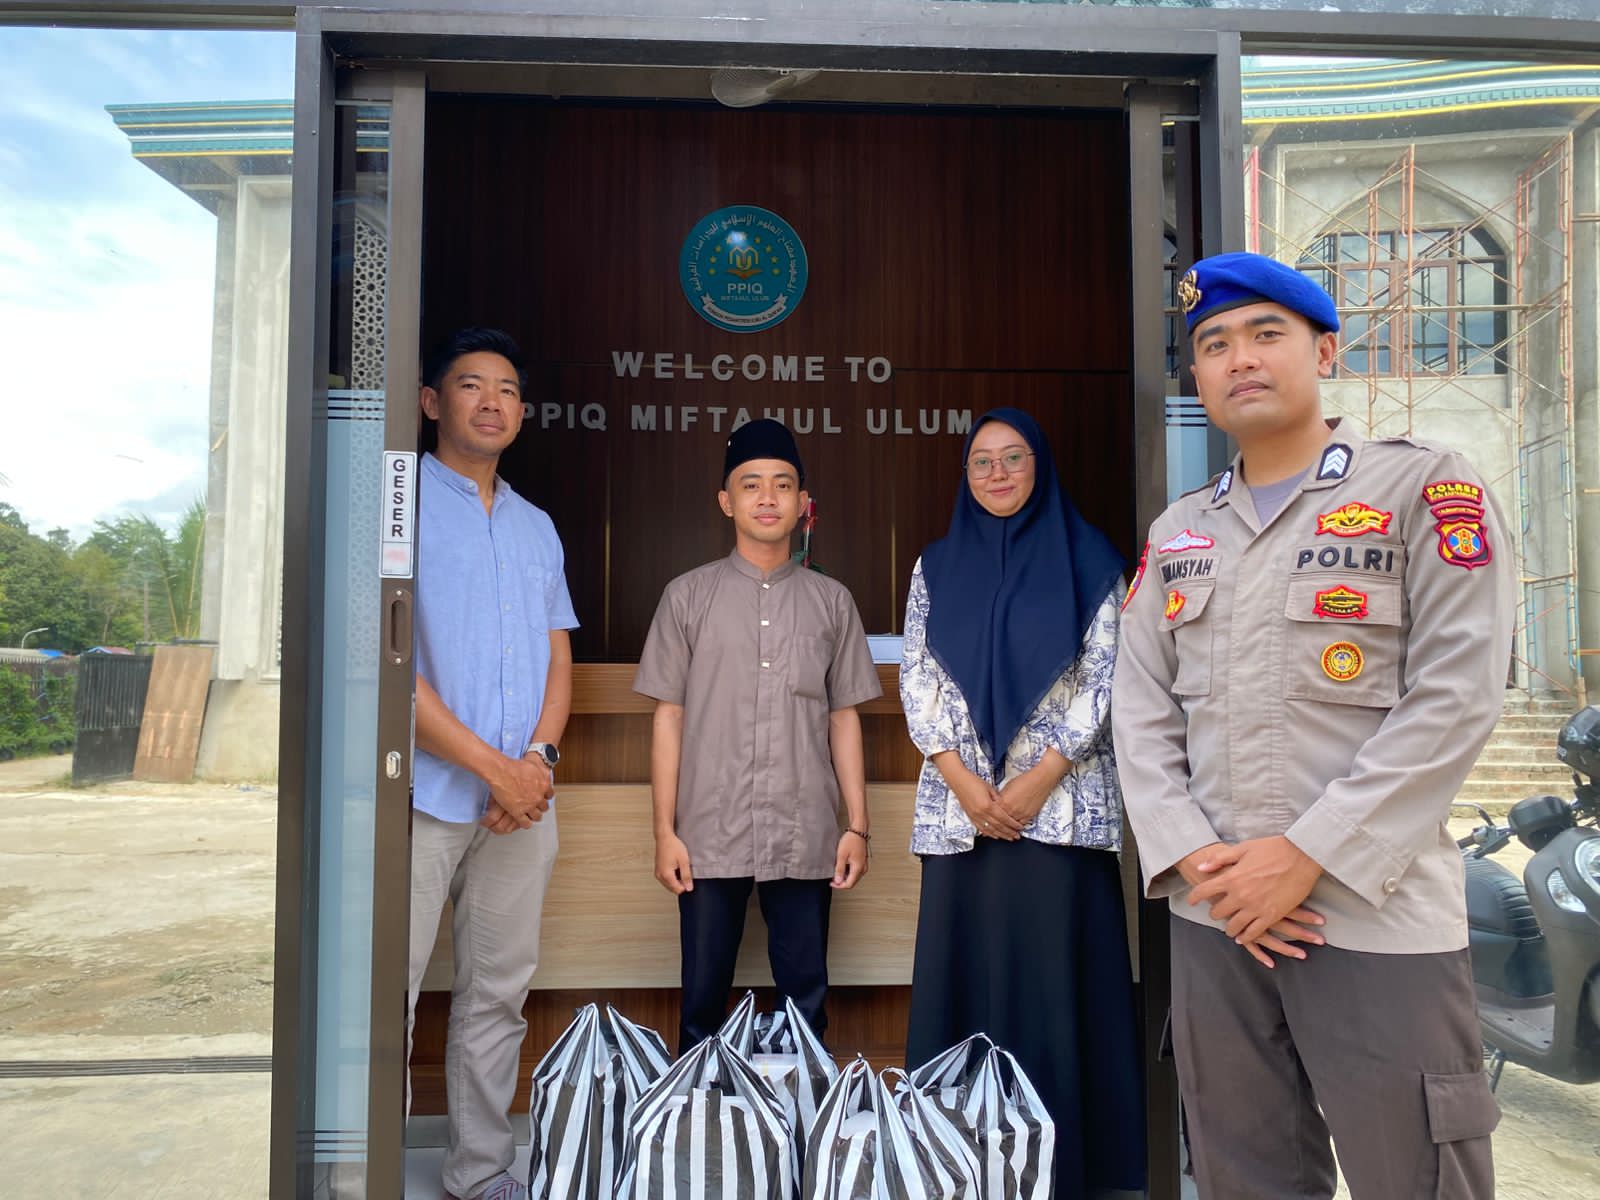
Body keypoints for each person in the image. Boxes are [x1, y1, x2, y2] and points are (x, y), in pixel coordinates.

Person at [1113, 252, 1513, 1199]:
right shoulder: (1178, 533)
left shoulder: (1422, 489)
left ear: (1325, 350)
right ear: (1197, 374)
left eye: (1266, 335)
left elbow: (1457, 693)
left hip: (1372, 914)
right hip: (1216, 919)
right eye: (1215, 345)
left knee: (1416, 1177)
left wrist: (1308, 854)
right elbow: (1139, 709)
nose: (1240, 359)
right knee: (1243, 1176)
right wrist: (1194, 857)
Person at [902, 407, 1145, 1199]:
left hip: (1060, 818)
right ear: (964, 475)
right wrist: (967, 784)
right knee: (963, 987)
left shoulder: (1091, 559)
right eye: (982, 461)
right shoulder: (936, 566)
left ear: (1040, 466)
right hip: (964, 819)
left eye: (1013, 458)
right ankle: (957, 1169)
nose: (997, 473)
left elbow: (1108, 677)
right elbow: (918, 679)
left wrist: (1037, 781)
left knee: (1052, 994)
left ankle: (1063, 1171)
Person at [634, 418, 881, 1053]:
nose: (768, 497)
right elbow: (668, 717)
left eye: (782, 485)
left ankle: (805, 1111)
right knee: (701, 1007)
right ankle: (701, 1111)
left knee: (806, 1007)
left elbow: (844, 716)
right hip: (706, 830)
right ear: (727, 501)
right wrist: (664, 832)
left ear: (803, 503)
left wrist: (857, 826)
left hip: (805, 827)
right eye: (751, 485)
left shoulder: (832, 601)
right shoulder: (686, 597)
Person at [406, 327, 579, 1200]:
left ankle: (479, 1173)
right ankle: (359, 1173)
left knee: (497, 995)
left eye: (507, 390)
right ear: (432, 401)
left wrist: (536, 763)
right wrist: (494, 768)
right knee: (384, 996)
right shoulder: (396, 503)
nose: (491, 402)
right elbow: (385, 663)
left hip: (521, 804)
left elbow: (558, 657)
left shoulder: (534, 525)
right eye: (471, 384)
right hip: (419, 795)